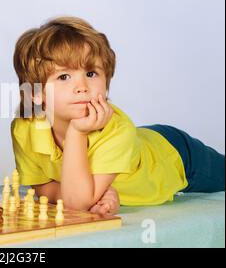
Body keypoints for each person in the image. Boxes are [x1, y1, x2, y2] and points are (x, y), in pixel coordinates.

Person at [11, 16, 225, 213]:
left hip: (177, 156)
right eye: (64, 76)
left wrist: (77, 133)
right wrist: (93, 193)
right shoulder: (25, 129)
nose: (82, 86)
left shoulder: (118, 130)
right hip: (141, 142)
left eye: (91, 73)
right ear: (36, 93)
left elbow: (77, 202)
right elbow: (42, 190)